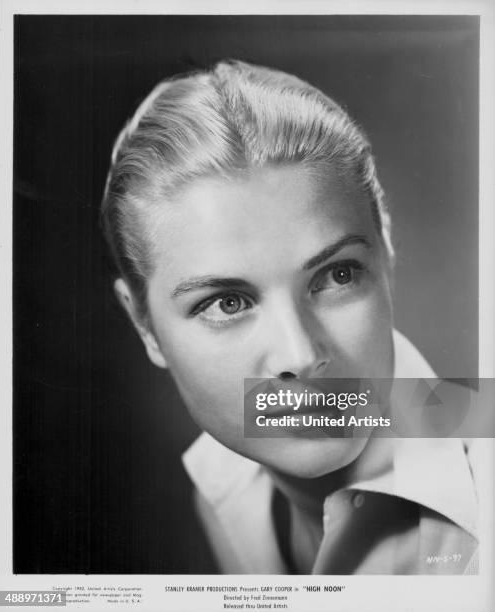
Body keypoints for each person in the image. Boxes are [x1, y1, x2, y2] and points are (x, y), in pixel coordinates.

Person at [100, 60, 479, 574]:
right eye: (226, 303)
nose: (300, 356)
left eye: (338, 275)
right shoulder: (222, 482)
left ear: (386, 256)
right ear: (145, 326)